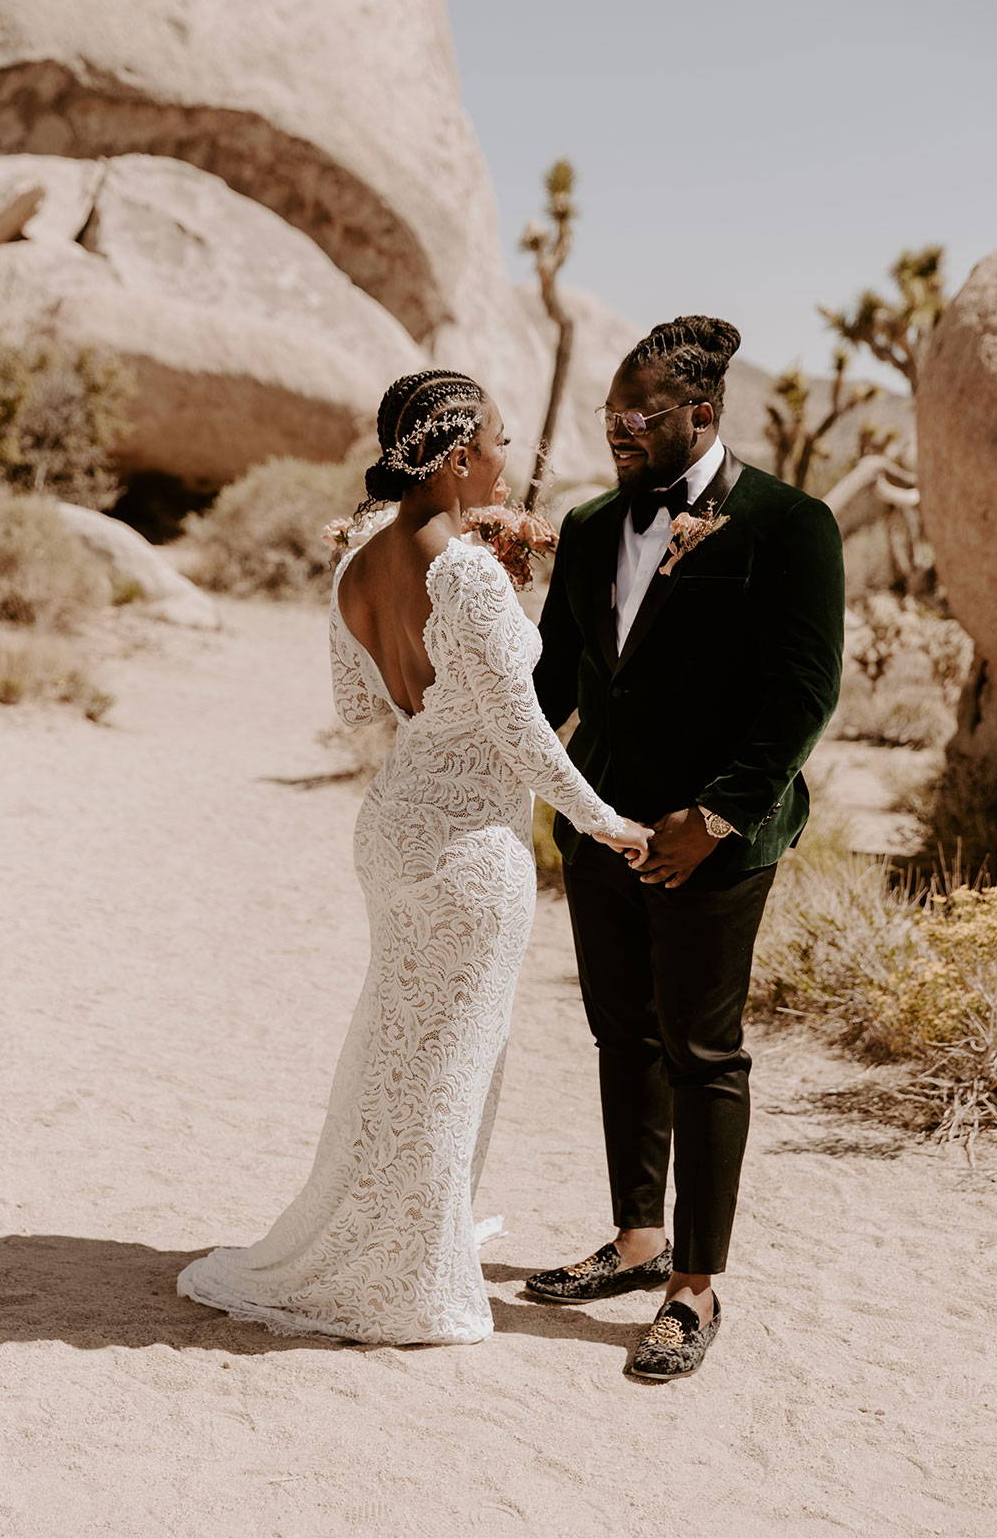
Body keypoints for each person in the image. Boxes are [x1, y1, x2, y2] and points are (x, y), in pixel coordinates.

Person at [177, 369, 649, 1345]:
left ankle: (386, 1234)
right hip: (471, 843)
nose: (506, 459)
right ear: (454, 456)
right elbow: (522, 730)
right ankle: (408, 1273)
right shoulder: (467, 571)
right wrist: (606, 822)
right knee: (453, 1058)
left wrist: (435, 714)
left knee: (397, 1048)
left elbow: (359, 711)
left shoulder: (353, 562)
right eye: (499, 442)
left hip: (391, 827)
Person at [527, 317, 845, 1380]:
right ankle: (633, 1240)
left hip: (714, 841)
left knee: (702, 1050)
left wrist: (710, 821)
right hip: (600, 828)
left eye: (638, 417)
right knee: (622, 1035)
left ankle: (693, 1287)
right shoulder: (581, 527)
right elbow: (550, 688)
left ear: (701, 415)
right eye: (609, 417)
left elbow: (801, 696)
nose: (617, 432)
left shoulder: (786, 526)